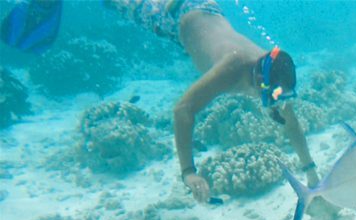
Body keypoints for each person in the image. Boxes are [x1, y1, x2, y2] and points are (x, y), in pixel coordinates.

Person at [104, 0, 319, 203]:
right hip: (175, 16)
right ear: (259, 80)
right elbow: (182, 110)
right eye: (274, 96)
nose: (276, 102)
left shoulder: (274, 71)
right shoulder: (232, 68)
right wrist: (189, 172)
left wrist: (310, 171)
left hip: (207, 8)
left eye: (280, 97)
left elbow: (291, 122)